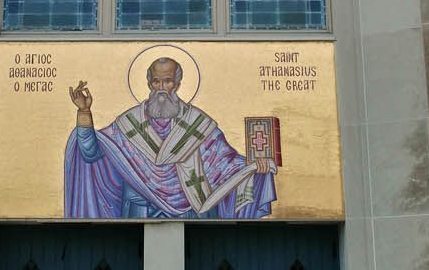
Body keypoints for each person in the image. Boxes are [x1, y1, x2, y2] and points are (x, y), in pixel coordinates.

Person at [64, 56, 275, 219]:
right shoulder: (128, 124)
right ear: (149, 84)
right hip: (140, 212)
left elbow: (226, 163)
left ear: (178, 84)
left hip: (193, 211)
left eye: (167, 81)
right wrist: (84, 112)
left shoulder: (198, 124)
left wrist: (255, 166)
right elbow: (92, 152)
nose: (162, 87)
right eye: (156, 81)